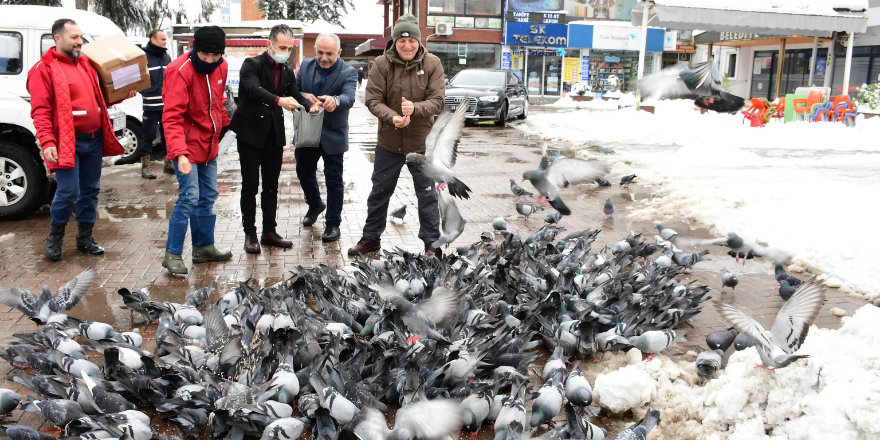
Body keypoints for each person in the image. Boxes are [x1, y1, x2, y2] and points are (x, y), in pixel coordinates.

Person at [27, 18, 137, 261]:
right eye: (74, 37)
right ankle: (55, 237)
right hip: (68, 141)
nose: (80, 42)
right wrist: (47, 142)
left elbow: (99, 99)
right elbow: (40, 111)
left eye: (81, 37)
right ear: (58, 38)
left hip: (94, 139)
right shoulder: (43, 69)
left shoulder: (86, 64)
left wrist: (120, 96)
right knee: (68, 191)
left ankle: (85, 238)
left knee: (91, 190)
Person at [348, 14, 445, 257]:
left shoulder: (433, 64)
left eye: (412, 40)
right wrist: (393, 117)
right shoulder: (381, 64)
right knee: (379, 192)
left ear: (418, 41)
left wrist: (416, 108)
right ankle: (371, 238)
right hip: (389, 143)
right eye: (402, 40)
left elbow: (438, 100)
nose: (407, 45)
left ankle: (431, 243)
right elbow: (372, 99)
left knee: (427, 195)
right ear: (394, 42)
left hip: (421, 145)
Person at [230, 24, 319, 254]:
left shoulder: (287, 70)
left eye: (289, 48)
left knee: (271, 186)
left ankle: (269, 231)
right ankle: (250, 233)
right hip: (250, 133)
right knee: (250, 186)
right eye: (281, 47)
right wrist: (279, 101)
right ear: (269, 43)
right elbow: (251, 89)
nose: (285, 52)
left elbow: (296, 94)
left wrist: (311, 106)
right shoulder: (252, 64)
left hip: (273, 135)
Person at [160, 26, 232, 275]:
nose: (210, 61)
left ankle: (203, 247)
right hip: (186, 146)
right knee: (189, 196)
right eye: (204, 55)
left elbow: (217, 103)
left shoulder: (220, 66)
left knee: (208, 195)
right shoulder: (179, 71)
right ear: (194, 49)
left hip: (208, 145)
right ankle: (173, 254)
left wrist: (229, 126)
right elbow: (171, 117)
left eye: (215, 55)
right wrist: (179, 154)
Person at [295, 33, 358, 243]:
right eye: (320, 52)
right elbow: (293, 89)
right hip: (307, 131)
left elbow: (349, 97)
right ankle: (315, 204)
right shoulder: (305, 66)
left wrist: (335, 101)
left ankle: (333, 224)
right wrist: (302, 95)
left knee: (334, 181)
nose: (324, 57)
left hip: (333, 134)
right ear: (315, 50)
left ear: (339, 53)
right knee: (303, 172)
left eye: (329, 53)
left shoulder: (348, 72)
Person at [114, 29, 171, 179]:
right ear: (153, 39)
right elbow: (134, 79)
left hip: (166, 105)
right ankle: (146, 166)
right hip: (150, 106)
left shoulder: (166, 57)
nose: (165, 42)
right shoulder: (143, 57)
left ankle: (168, 163)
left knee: (168, 134)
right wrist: (147, 92)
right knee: (148, 135)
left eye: (166, 39)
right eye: (163, 39)